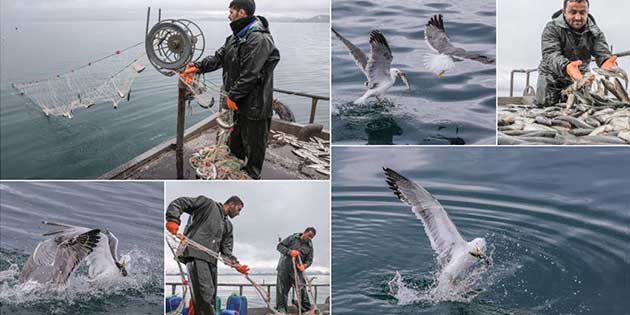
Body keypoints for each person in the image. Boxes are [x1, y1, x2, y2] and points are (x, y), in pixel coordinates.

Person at [181, 0, 280, 179]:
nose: (228, 15)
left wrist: (233, 95)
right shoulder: (235, 38)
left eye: (231, 11)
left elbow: (251, 73)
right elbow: (219, 57)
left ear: (241, 13)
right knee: (235, 144)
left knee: (255, 145)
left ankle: (251, 176)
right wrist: (197, 66)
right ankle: (234, 167)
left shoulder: (259, 38)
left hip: (255, 106)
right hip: (238, 104)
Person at [165, 195, 250, 315]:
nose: (238, 213)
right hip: (195, 255)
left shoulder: (228, 226)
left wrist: (237, 265)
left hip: (211, 261)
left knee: (210, 298)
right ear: (231, 204)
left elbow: (226, 251)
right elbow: (180, 202)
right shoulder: (207, 204)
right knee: (205, 297)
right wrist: (173, 219)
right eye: (239, 209)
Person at [535, 0, 618, 106]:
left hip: (580, 75)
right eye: (573, 12)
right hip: (551, 75)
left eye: (582, 13)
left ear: (587, 12)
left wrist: (606, 62)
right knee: (544, 108)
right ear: (564, 11)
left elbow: (602, 52)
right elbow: (550, 54)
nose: (578, 17)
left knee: (581, 108)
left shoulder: (595, 31)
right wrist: (567, 66)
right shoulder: (551, 28)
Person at [276, 227, 316, 312]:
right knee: (282, 291)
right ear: (304, 232)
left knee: (302, 289)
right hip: (284, 269)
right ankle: (281, 310)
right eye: (309, 236)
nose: (309, 238)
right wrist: (290, 252)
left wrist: (304, 266)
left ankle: (305, 310)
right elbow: (279, 246)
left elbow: (309, 260)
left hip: (297, 271)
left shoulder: (309, 246)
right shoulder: (292, 238)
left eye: (311, 237)